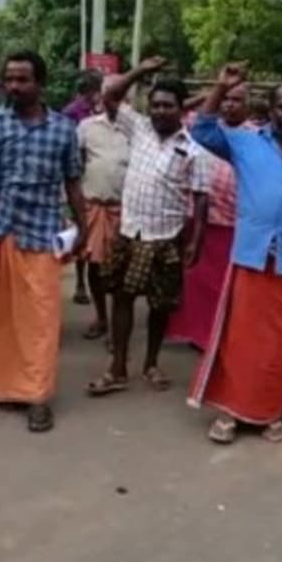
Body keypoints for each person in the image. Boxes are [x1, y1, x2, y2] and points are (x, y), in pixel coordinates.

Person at [187, 65, 282, 445]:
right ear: (271, 109)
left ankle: (271, 412)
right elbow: (201, 130)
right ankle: (231, 412)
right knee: (242, 340)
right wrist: (222, 87)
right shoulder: (245, 142)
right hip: (251, 259)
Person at [0, 51, 86, 433]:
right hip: (1, 230)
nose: (15, 87)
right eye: (10, 80)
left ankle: (37, 396)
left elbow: (72, 181)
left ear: (41, 83)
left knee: (40, 319)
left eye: (23, 79)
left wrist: (83, 228)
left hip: (43, 233)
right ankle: (4, 388)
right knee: (0, 317)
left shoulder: (64, 129)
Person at [86, 57, 209, 396]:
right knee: (121, 298)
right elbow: (110, 96)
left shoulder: (193, 151)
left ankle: (151, 364)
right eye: (155, 105)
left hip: (166, 238)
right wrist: (141, 71)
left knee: (160, 304)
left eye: (167, 106)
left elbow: (201, 200)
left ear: (182, 109)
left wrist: (195, 243)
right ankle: (118, 368)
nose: (159, 111)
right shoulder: (138, 127)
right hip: (130, 231)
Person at [166, 80, 249, 351]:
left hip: (234, 223)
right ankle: (199, 335)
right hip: (200, 218)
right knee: (197, 283)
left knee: (225, 285)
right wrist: (213, 92)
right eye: (226, 98)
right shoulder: (200, 130)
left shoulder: (255, 136)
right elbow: (175, 114)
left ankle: (223, 335)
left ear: (247, 104)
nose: (230, 104)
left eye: (236, 99)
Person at [76, 75, 132, 343]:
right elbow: (75, 165)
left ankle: (118, 326)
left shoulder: (138, 128)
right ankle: (101, 318)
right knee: (95, 267)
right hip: (93, 206)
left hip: (124, 210)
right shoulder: (86, 127)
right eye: (108, 91)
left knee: (121, 271)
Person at [63, 70, 103, 305]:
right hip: (79, 179)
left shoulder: (101, 112)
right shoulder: (72, 113)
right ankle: (80, 282)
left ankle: (91, 281)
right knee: (81, 228)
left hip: (95, 179)